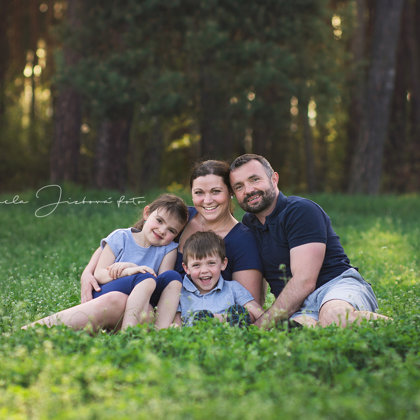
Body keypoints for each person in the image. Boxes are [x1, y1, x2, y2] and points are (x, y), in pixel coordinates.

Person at [229, 154, 391, 328]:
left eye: (254, 179)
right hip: (298, 307)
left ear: (274, 179)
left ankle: (402, 328)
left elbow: (304, 281)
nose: (248, 190)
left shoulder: (300, 211)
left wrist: (260, 326)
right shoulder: (249, 224)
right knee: (295, 333)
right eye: (239, 186)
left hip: (335, 287)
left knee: (335, 318)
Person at [81, 160, 264, 309]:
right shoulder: (181, 218)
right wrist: (88, 272)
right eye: (199, 192)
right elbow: (125, 239)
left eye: (216, 192)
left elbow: (250, 302)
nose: (207, 200)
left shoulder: (242, 239)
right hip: (145, 299)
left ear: (230, 192)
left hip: (189, 313)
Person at [23, 194, 188, 331]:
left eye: (171, 230)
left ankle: (161, 330)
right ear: (147, 213)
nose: (162, 230)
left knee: (172, 277)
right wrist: (127, 270)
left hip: (144, 298)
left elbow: (161, 283)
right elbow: (99, 274)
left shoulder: (168, 249)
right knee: (145, 277)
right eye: (159, 221)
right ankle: (128, 332)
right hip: (110, 289)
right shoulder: (121, 237)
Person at [174, 231, 264, 327]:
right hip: (193, 334)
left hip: (228, 334)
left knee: (236, 315)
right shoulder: (179, 292)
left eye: (211, 263)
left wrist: (268, 325)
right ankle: (208, 321)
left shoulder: (232, 288)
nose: (204, 270)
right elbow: (176, 323)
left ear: (223, 264)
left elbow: (256, 310)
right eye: (196, 265)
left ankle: (221, 319)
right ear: (186, 268)